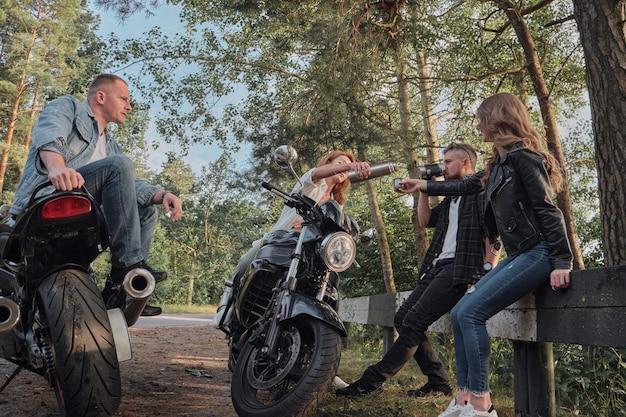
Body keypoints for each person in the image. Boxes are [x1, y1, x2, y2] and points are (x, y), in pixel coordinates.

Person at [401, 92, 573, 417]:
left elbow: (547, 210)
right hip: (521, 254)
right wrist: (422, 186)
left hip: (540, 252)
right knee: (457, 314)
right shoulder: (498, 165)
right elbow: (463, 186)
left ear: (497, 120)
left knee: (470, 314)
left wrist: (562, 260)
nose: (479, 125)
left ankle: (481, 406)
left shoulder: (525, 158)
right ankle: (463, 398)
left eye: (482, 119)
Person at [10, 73, 183, 317]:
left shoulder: (111, 146)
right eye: (123, 98)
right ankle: (129, 267)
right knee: (119, 165)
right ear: (101, 96)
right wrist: (57, 166)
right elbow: (49, 133)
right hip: (50, 197)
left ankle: (122, 288)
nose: (128, 106)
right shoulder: (69, 106)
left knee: (146, 211)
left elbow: (128, 185)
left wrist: (162, 193)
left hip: (86, 208)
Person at [335, 143, 500, 398]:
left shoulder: (480, 190)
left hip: (461, 268)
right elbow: (425, 221)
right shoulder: (451, 197)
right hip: (436, 267)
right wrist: (424, 187)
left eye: (448, 162)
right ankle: (438, 381)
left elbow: (494, 237)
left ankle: (370, 382)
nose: (443, 167)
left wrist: (486, 274)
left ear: (465, 162)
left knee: (413, 321)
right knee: (403, 318)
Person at [213, 150, 371, 327]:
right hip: (279, 241)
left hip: (308, 253)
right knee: (245, 263)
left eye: (346, 166)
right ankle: (228, 303)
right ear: (328, 163)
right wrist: (352, 166)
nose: (343, 169)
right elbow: (317, 173)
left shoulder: (337, 204)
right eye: (340, 163)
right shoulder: (311, 183)